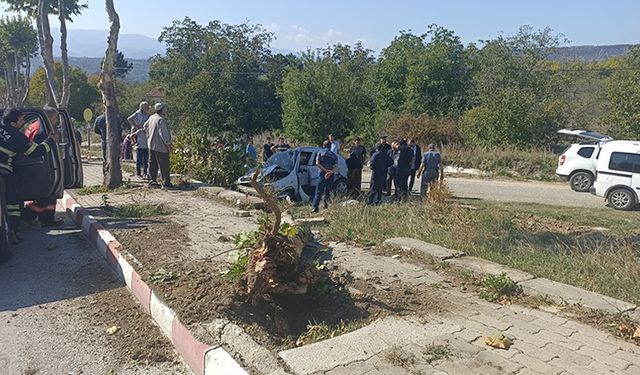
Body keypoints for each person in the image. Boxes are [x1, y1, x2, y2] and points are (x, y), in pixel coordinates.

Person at [1, 108, 56, 244]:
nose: (22, 121)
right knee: (12, 203)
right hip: (3, 173)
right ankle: (14, 231)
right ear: (13, 123)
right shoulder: (16, 136)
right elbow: (36, 151)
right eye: (20, 120)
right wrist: (51, 141)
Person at [22, 106, 65, 227]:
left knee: (49, 194)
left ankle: (47, 219)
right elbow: (40, 149)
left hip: (33, 165)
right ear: (49, 117)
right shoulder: (41, 130)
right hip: (39, 166)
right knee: (45, 194)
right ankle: (27, 215)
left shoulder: (33, 125)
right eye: (55, 118)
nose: (56, 121)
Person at [145, 102, 173, 189]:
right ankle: (166, 182)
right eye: (165, 108)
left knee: (152, 164)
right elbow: (163, 134)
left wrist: (149, 136)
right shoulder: (161, 120)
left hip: (151, 144)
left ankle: (152, 181)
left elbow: (145, 126)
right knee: (164, 164)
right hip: (160, 146)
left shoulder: (151, 117)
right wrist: (168, 144)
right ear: (162, 109)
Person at [312, 140, 338, 213]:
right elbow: (336, 167)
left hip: (322, 174)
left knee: (318, 191)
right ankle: (326, 206)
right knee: (328, 191)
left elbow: (317, 163)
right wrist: (330, 172)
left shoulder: (320, 152)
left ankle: (315, 207)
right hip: (330, 175)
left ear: (323, 145)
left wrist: (325, 170)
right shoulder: (334, 155)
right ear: (330, 146)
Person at [128, 101, 150, 178]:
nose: (148, 109)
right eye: (146, 107)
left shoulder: (147, 115)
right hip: (139, 135)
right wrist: (135, 126)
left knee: (146, 156)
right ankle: (138, 172)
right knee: (139, 156)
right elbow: (129, 118)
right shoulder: (138, 114)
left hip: (145, 136)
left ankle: (145, 172)